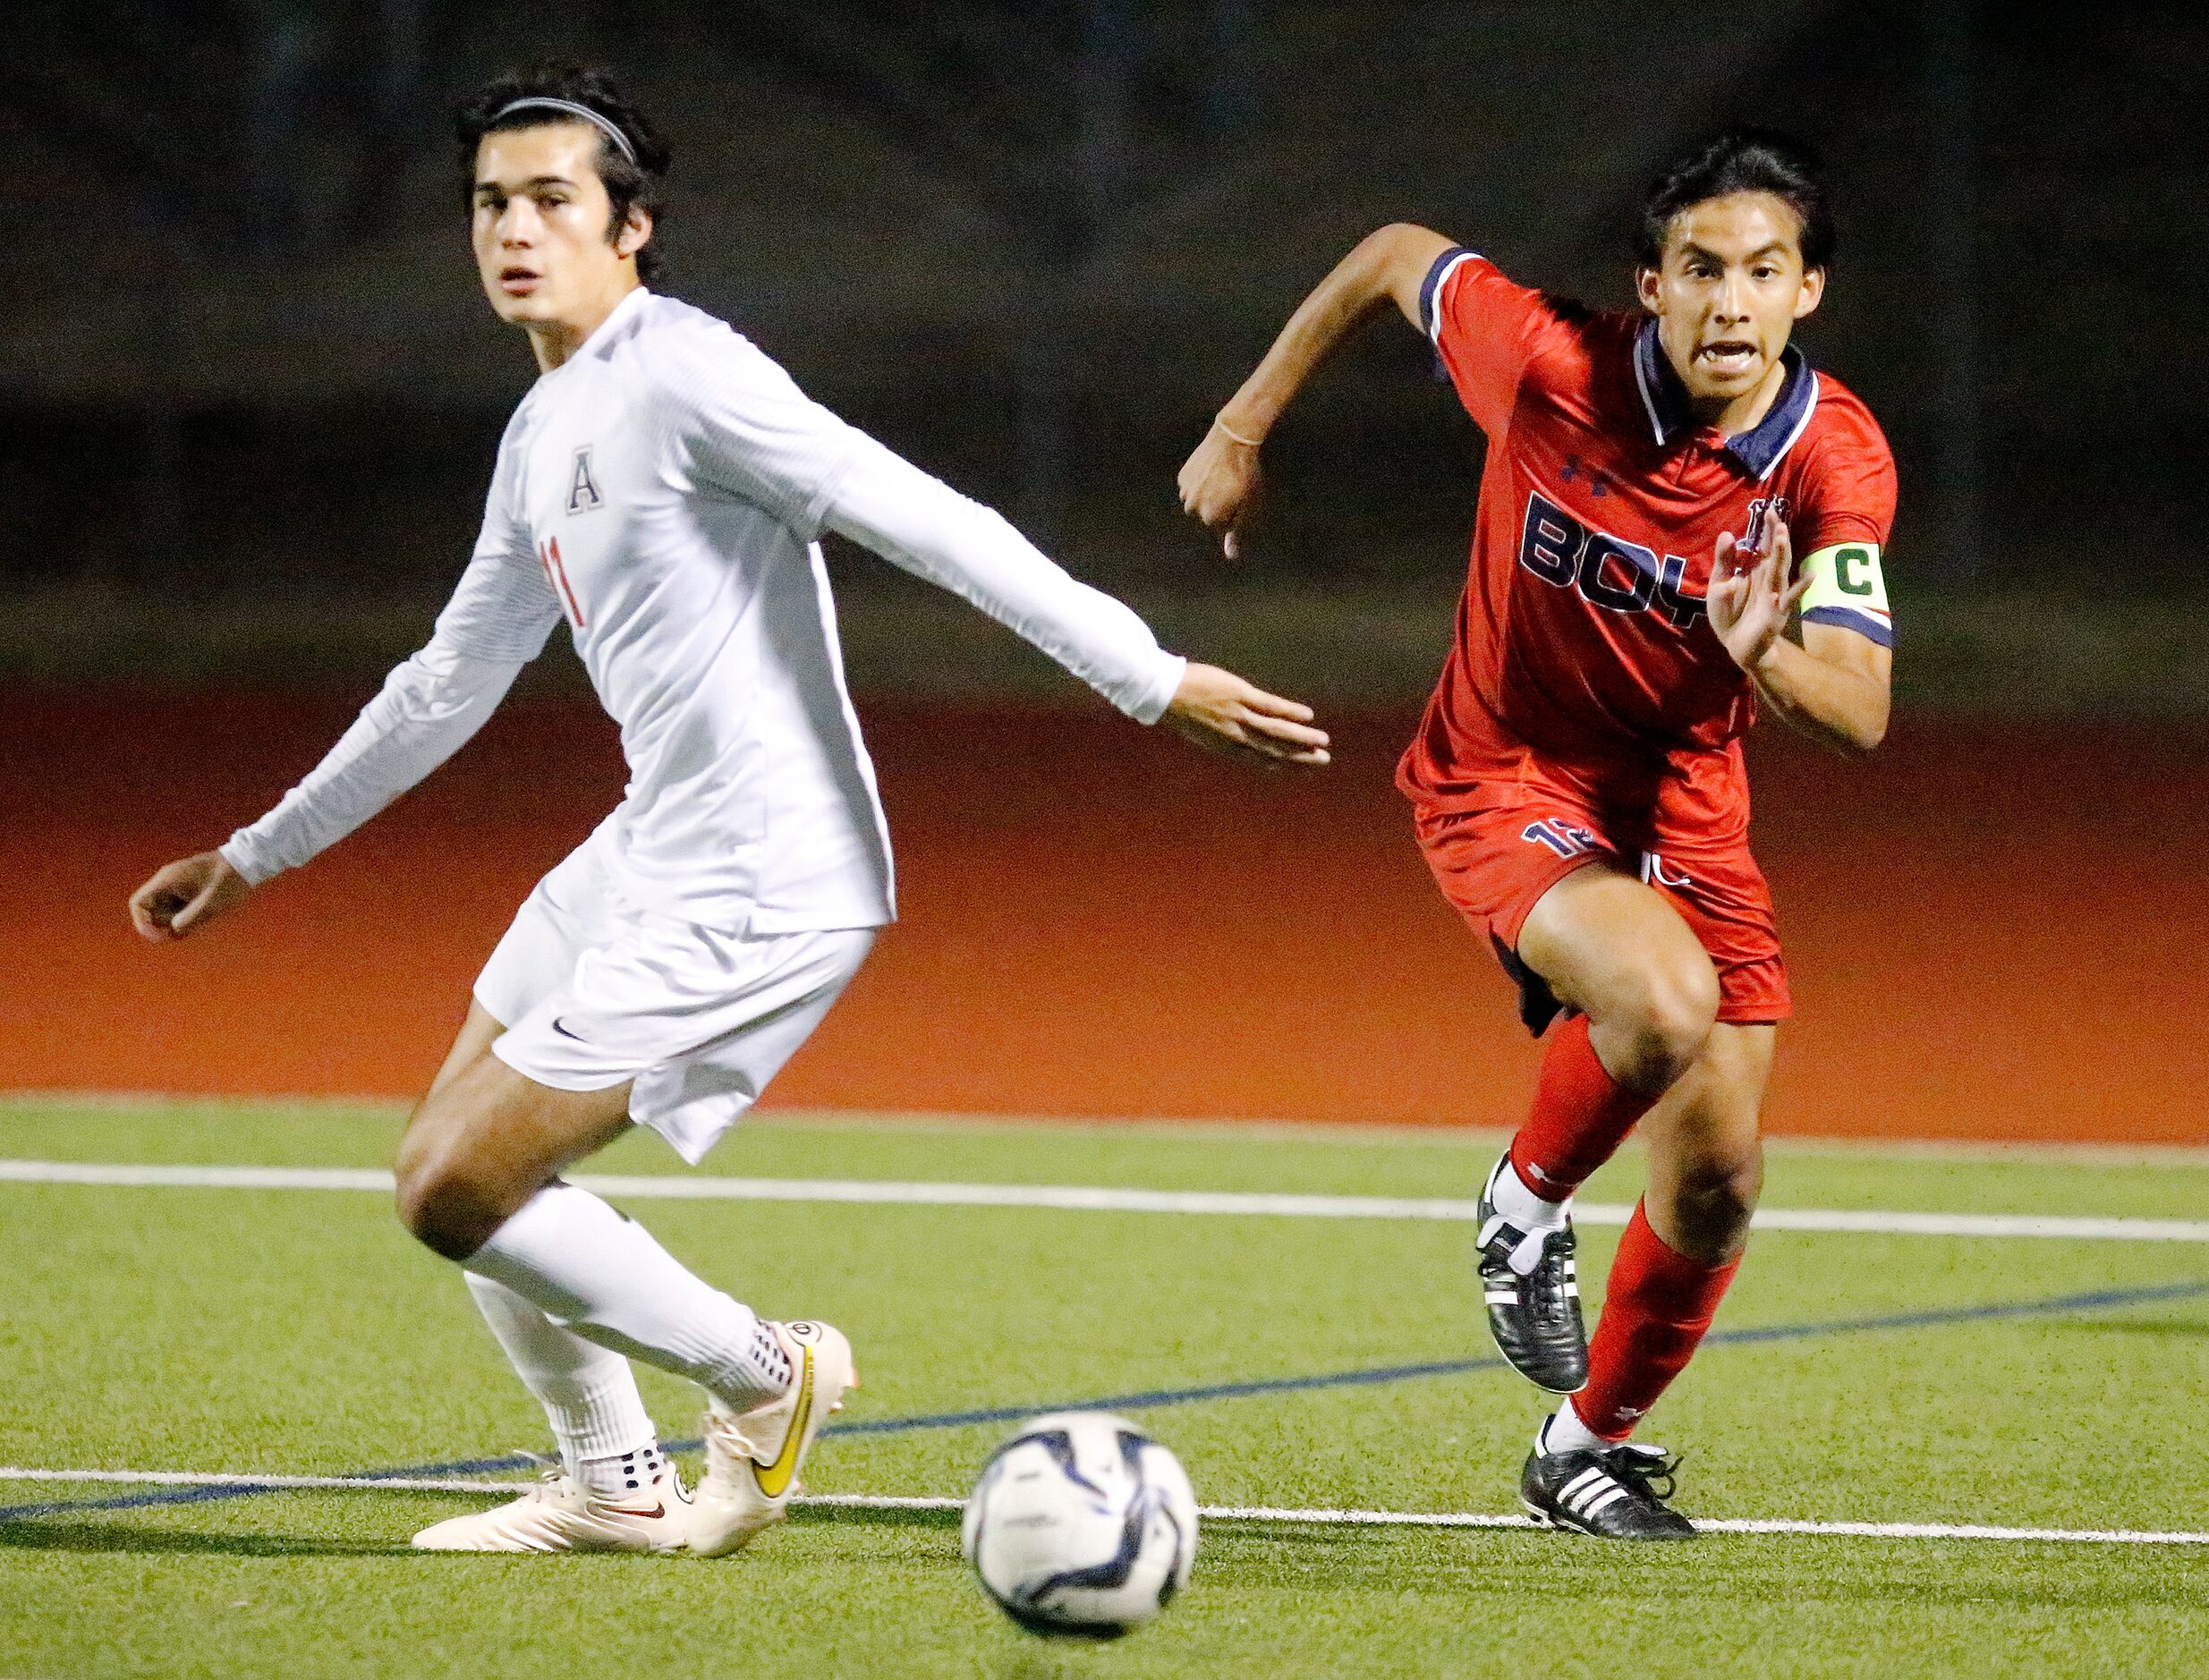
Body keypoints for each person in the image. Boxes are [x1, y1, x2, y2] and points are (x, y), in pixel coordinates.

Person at [129, 64, 1330, 1558]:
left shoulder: (687, 373)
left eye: (553, 200)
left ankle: (770, 1376)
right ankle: (615, 1484)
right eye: (491, 203)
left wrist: (1147, 677)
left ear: (631, 227)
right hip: (654, 841)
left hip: (762, 872)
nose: (515, 229)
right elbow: (450, 677)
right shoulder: (544, 425)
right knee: (472, 1147)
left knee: (451, 1187)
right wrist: (258, 852)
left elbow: (922, 514)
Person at [1179, 128, 1893, 1539]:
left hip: (1686, 807)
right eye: (1699, 269)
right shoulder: (1553, 361)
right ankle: (1524, 1204)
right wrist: (1242, 424)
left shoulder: (1832, 459)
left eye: (1763, 272)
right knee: (1660, 998)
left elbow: (1861, 710)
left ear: (1807, 292)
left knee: (1718, 1178)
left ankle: (1580, 1447)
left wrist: (1761, 651)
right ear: (1652, 281)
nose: (1728, 303)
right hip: (1501, 772)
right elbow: (1392, 255)